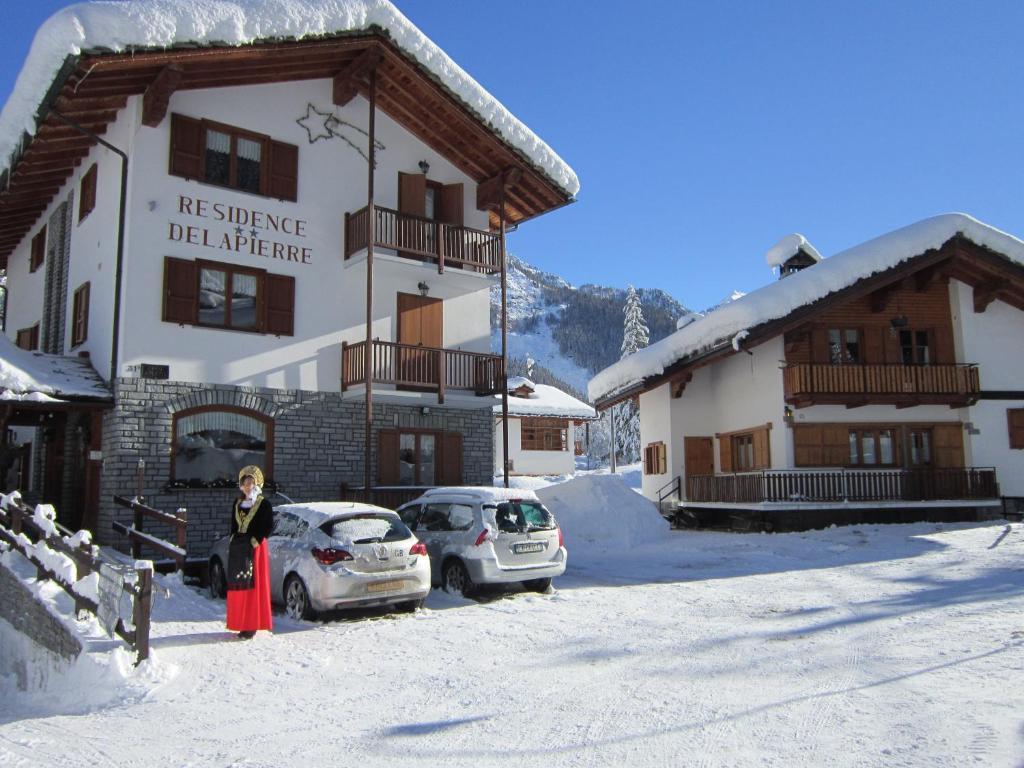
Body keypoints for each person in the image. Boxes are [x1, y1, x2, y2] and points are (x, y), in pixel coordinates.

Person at [225, 465, 273, 639]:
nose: (247, 486)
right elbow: (233, 525)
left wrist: (255, 542)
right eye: (245, 482)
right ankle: (240, 622)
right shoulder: (238, 503)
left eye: (251, 483)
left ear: (256, 484)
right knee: (238, 585)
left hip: (255, 549)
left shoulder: (264, 504)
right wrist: (232, 540)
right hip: (239, 548)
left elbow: (268, 526)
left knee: (253, 585)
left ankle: (252, 624)